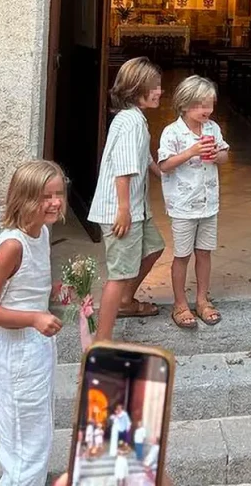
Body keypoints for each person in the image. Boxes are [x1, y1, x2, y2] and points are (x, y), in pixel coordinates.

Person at [0, 161, 67, 486]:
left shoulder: (41, 233)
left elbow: (25, 289)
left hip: (38, 349)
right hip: (18, 354)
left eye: (59, 194)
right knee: (24, 446)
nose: (55, 202)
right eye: (45, 196)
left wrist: (57, 292)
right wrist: (34, 318)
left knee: (37, 437)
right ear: (24, 199)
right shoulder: (13, 245)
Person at [88, 57, 166, 341]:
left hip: (136, 207)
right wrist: (123, 210)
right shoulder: (131, 122)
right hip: (122, 210)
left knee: (155, 247)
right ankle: (102, 339)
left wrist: (163, 173)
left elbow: (143, 158)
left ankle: (126, 302)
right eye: (154, 87)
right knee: (118, 274)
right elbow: (123, 167)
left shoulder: (135, 119)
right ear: (137, 88)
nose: (160, 91)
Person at [158, 75, 229, 330]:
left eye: (209, 105)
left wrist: (216, 155)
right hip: (183, 205)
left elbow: (223, 154)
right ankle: (180, 303)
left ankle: (202, 299)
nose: (206, 111)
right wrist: (191, 152)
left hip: (209, 202)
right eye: (200, 105)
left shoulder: (213, 128)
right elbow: (164, 165)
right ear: (185, 104)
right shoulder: (172, 132)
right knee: (182, 255)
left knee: (205, 252)